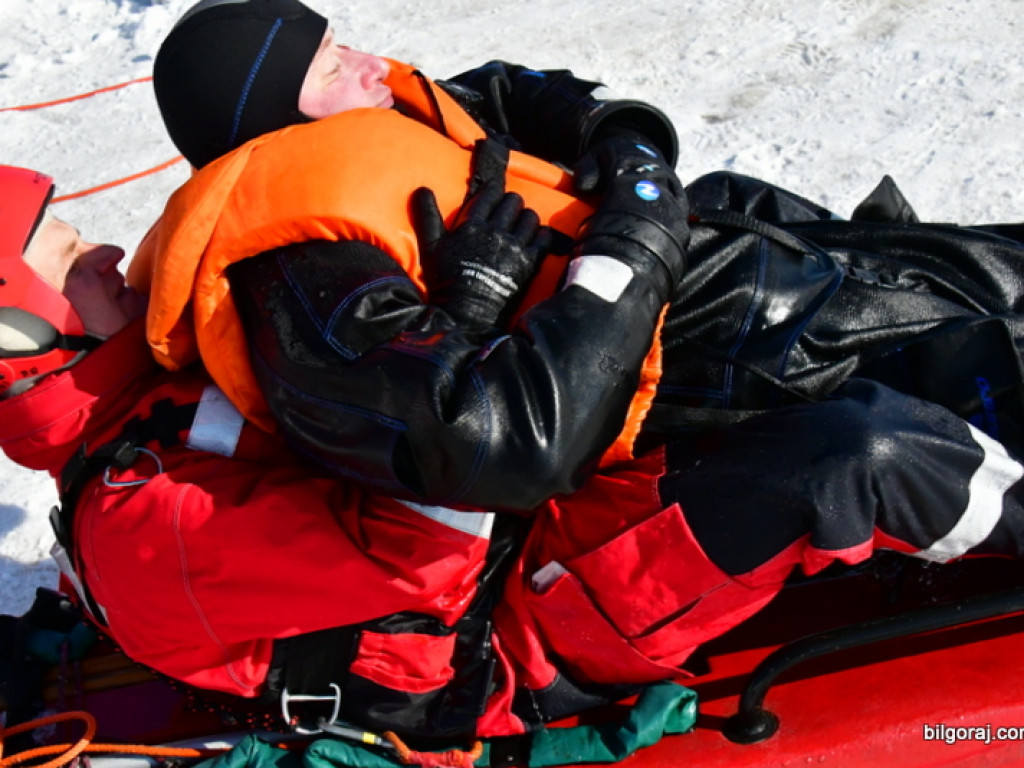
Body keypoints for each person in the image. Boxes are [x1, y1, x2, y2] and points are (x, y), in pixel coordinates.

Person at [6, 163, 1024, 743]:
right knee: (853, 453)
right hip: (523, 624)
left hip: (526, 510)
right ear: (20, 342)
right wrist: (463, 324)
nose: (99, 250)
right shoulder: (143, 522)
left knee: (737, 244)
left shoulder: (152, 392)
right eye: (60, 258)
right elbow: (426, 550)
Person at [137, 0, 1024, 520]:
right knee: (985, 345)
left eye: (343, 41)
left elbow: (501, 89)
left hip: (721, 268)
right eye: (332, 67)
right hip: (712, 364)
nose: (373, 64)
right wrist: (494, 297)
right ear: (268, 120)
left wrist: (624, 141)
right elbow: (494, 443)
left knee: (980, 269)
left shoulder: (366, 131)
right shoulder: (303, 275)